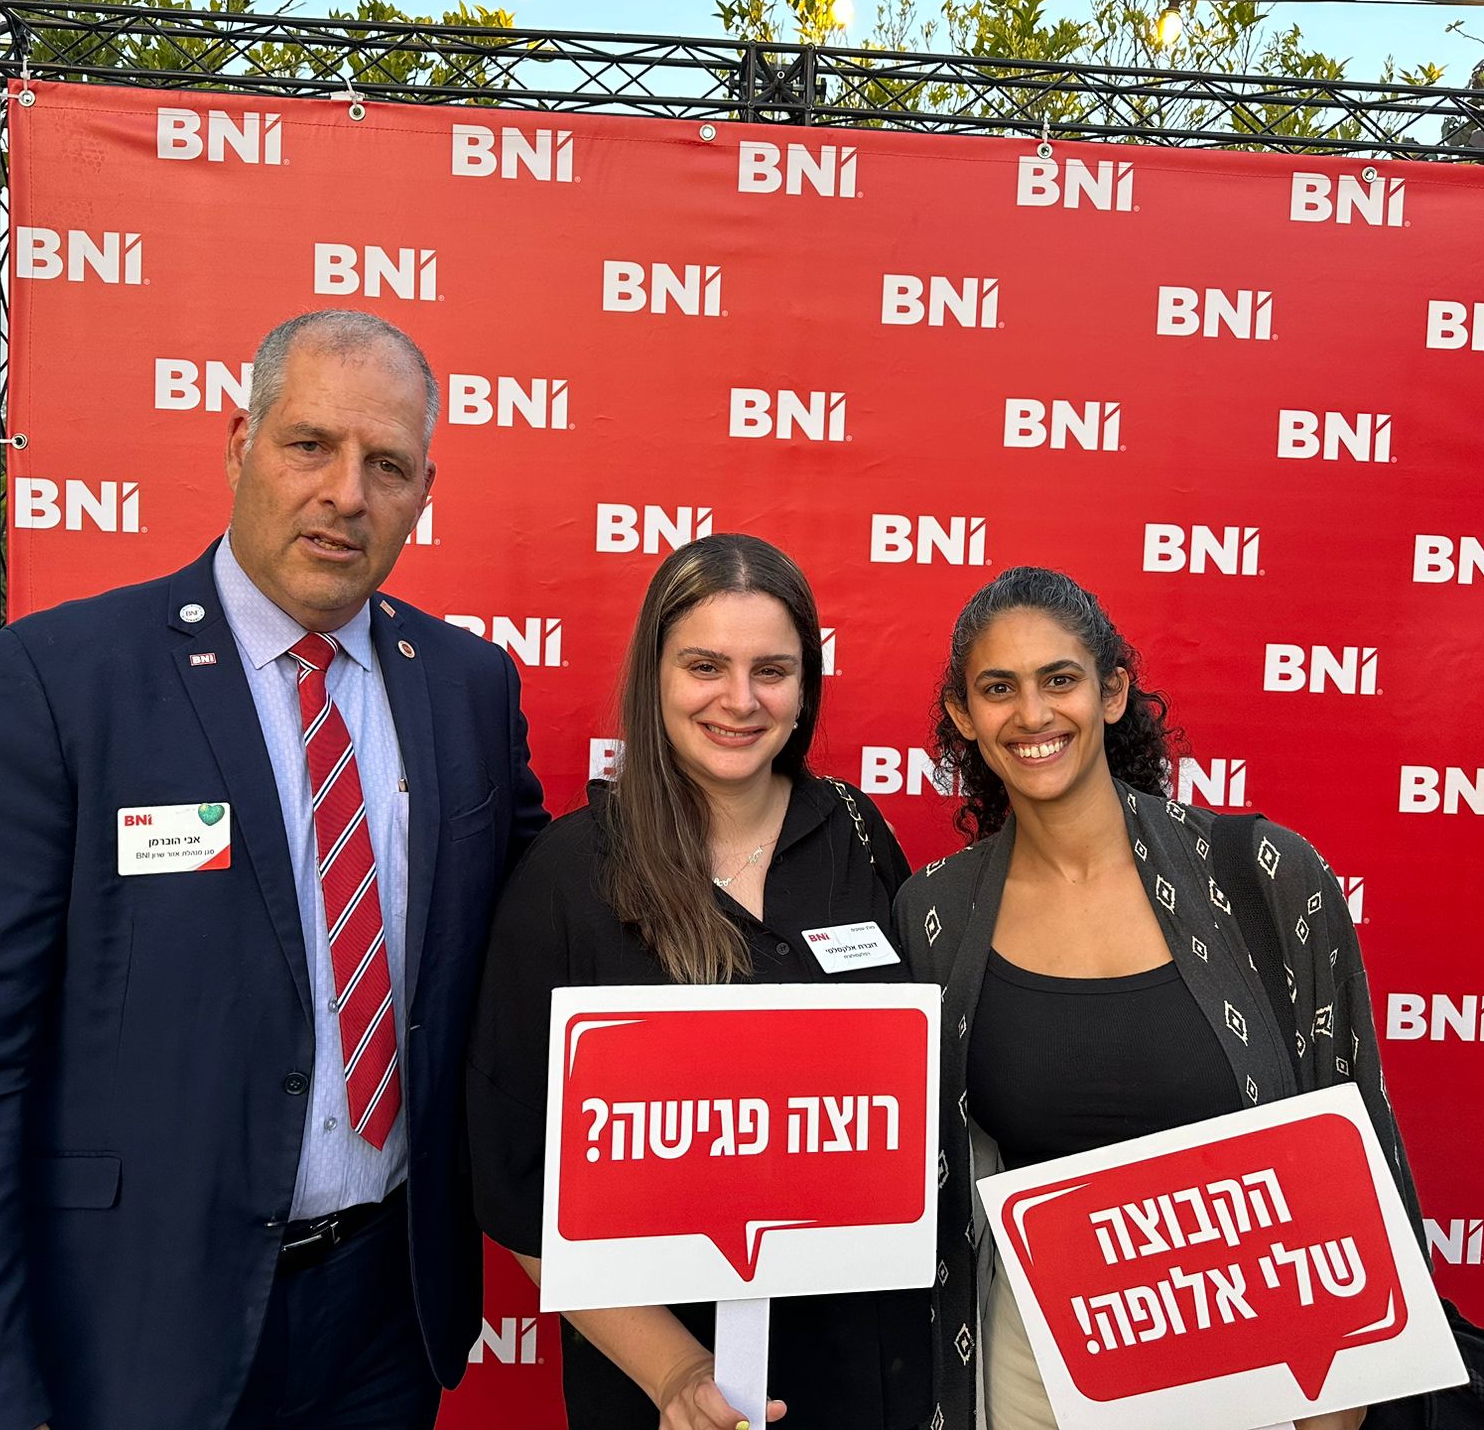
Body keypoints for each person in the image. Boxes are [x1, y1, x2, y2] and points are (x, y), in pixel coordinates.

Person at [0, 309, 549, 1430]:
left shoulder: (468, 687)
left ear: (423, 492)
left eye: (386, 465)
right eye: (309, 445)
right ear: (240, 444)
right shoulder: (61, 682)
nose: (345, 494)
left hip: (387, 1316)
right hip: (135, 1328)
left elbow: (541, 930)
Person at [900, 567, 1422, 1430]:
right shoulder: (936, 912)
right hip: (1036, 1359)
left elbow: (1353, 1122)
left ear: (1112, 692)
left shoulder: (1262, 875)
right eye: (998, 689)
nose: (1031, 714)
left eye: (1059, 679)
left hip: (1261, 1346)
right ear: (963, 715)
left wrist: (1345, 1383)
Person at [467, 533, 933, 1430]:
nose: (740, 700)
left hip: (865, 1370)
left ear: (806, 687)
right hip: (668, 1395)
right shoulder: (572, 872)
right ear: (654, 676)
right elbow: (517, 1181)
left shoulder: (855, 834)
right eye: (705, 666)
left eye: (772, 671)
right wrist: (678, 1372)